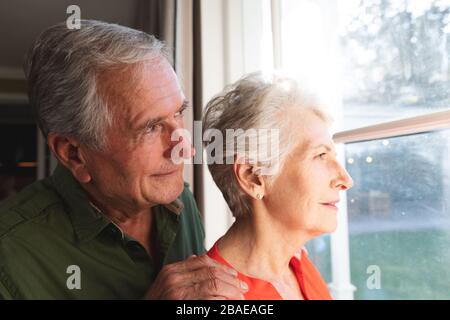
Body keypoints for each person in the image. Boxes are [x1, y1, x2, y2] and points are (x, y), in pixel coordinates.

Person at [0, 20, 248, 300]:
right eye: (151, 127)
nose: (185, 148)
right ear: (74, 154)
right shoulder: (9, 258)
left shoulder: (181, 203)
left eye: (178, 113)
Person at [202, 72, 354, 300]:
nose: (345, 180)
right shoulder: (212, 299)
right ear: (253, 177)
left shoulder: (298, 268)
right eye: (320, 155)